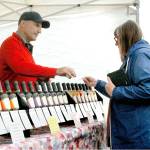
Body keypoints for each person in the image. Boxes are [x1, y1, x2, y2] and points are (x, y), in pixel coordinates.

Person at [83, 20, 150, 149]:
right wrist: (97, 84)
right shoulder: (133, 56)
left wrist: (116, 92)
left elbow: (148, 89)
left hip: (138, 135)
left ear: (126, 36)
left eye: (116, 38)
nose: (116, 43)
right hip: (133, 132)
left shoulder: (140, 55)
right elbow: (122, 89)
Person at [0, 11, 76, 87]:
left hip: (25, 95)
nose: (40, 31)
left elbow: (25, 72)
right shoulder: (10, 43)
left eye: (40, 27)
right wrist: (56, 71)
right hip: (13, 97)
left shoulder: (24, 46)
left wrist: (41, 78)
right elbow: (21, 67)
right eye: (37, 25)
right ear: (23, 24)